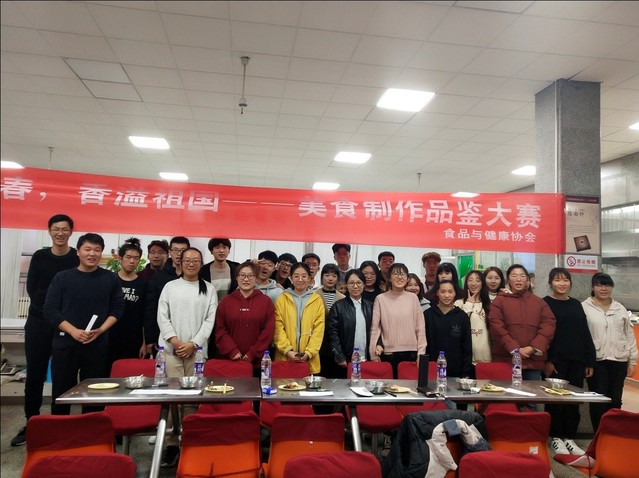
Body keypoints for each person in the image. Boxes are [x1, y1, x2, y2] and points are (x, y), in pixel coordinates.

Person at [12, 214, 80, 447]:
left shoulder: (76, 257)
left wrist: (62, 319)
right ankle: (31, 423)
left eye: (64, 229)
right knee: (35, 375)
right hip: (39, 322)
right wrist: (53, 313)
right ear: (50, 231)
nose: (60, 233)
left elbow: (76, 291)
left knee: (64, 377)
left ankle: (59, 424)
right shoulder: (40, 256)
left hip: (66, 326)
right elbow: (33, 290)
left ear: (71, 232)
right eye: (56, 229)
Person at [44, 233, 124, 415]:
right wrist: (73, 331)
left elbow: (118, 309)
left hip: (96, 345)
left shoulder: (110, 278)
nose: (92, 254)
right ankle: (60, 428)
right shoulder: (62, 277)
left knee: (95, 395)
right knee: (62, 393)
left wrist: (100, 330)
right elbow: (50, 310)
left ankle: (91, 429)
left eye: (97, 250)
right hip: (65, 344)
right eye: (87, 249)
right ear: (78, 251)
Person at [157, 247, 217, 467]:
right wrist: (175, 341)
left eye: (196, 260)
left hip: (197, 352)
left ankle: (189, 440)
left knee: (192, 398)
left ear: (201, 263)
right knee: (172, 397)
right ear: (179, 263)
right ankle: (171, 444)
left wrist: (193, 344)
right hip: (171, 351)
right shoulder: (170, 287)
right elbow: (162, 317)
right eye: (187, 260)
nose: (191, 264)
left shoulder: (208, 289)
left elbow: (209, 320)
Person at [543, 268, 595, 456]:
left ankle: (569, 437)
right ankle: (555, 437)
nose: (562, 284)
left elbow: (584, 332)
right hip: (556, 361)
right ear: (550, 283)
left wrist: (589, 360)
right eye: (557, 280)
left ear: (570, 283)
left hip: (577, 360)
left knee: (573, 399)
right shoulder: (545, 303)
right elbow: (544, 335)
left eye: (565, 280)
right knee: (556, 400)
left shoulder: (576, 304)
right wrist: (548, 360)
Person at [582, 272, 637, 432]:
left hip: (619, 360)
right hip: (597, 361)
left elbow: (629, 335)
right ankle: (599, 436)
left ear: (612, 287)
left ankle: (612, 435)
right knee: (598, 401)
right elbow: (581, 336)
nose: (603, 288)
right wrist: (586, 361)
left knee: (615, 400)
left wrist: (633, 360)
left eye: (607, 285)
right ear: (593, 287)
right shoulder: (584, 307)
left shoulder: (620, 308)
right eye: (599, 285)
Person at [488, 264, 556, 381]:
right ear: (508, 280)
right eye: (514, 276)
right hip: (506, 361)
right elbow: (496, 327)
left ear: (527, 280)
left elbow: (549, 325)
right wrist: (515, 349)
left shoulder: (539, 302)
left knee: (532, 393)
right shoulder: (499, 301)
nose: (518, 279)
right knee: (505, 393)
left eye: (522, 276)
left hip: (532, 363)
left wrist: (533, 347)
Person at [214, 261, 275, 373]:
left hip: (258, 362)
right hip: (231, 360)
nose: (246, 279)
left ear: (256, 278)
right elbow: (220, 330)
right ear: (236, 278)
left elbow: (268, 332)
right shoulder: (226, 301)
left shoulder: (266, 301)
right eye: (242, 275)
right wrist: (232, 351)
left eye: (250, 276)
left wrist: (252, 353)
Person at [369, 263, 426, 378]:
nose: (400, 277)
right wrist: (372, 353)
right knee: (389, 387)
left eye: (403, 274)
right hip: (389, 354)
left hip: (411, 353)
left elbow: (420, 328)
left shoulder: (413, 298)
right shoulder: (380, 299)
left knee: (410, 387)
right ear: (389, 278)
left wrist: (421, 352)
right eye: (395, 274)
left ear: (407, 278)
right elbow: (375, 328)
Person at [273, 262, 325, 374]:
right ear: (291, 278)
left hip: (309, 359)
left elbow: (319, 330)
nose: (300, 279)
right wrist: (287, 351)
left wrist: (309, 352)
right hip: (284, 358)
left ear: (309, 278)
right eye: (296, 276)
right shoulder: (282, 299)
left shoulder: (317, 300)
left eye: (304, 276)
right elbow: (277, 328)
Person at [144, 236, 190, 357]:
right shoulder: (159, 277)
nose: (179, 254)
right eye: (175, 250)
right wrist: (150, 339)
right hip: (162, 335)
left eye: (182, 250)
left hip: (189, 335)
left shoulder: (194, 276)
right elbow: (150, 308)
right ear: (170, 252)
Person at [108, 238, 147, 369]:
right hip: (111, 337)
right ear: (120, 258)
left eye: (136, 258)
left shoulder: (143, 284)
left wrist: (144, 343)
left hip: (134, 338)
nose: (132, 261)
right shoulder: (110, 280)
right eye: (128, 257)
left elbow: (145, 315)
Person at [327, 269, 373, 379]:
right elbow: (332, 333)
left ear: (364, 285)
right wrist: (340, 356)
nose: (355, 286)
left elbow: (376, 330)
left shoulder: (371, 306)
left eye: (359, 283)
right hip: (345, 360)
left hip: (367, 359)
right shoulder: (338, 306)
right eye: (351, 283)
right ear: (346, 285)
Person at [424, 280, 472, 378]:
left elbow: (467, 346)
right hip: (432, 369)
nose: (446, 295)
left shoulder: (462, 316)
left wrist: (466, 372)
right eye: (443, 292)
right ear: (437, 293)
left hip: (456, 371)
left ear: (455, 293)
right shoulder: (428, 315)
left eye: (450, 292)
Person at [454, 270, 492, 365]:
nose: (474, 283)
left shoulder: (489, 305)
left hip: (485, 356)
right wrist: (469, 303)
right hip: (464, 356)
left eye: (478, 280)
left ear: (483, 283)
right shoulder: (459, 303)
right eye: (470, 280)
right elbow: (459, 324)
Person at [317, 263, 345, 377]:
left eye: (334, 276)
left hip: (336, 344)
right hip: (318, 342)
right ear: (322, 277)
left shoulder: (342, 298)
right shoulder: (314, 295)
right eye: (327, 275)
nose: (330, 278)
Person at [200, 238, 239, 303]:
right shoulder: (203, 271)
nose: (221, 250)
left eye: (224, 247)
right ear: (211, 251)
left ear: (229, 250)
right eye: (217, 248)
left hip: (231, 306)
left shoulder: (236, 268)